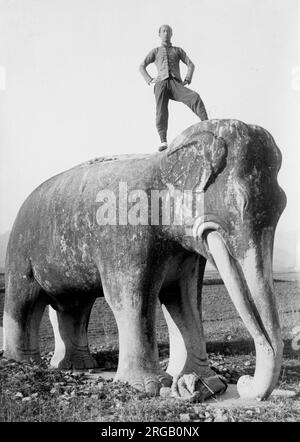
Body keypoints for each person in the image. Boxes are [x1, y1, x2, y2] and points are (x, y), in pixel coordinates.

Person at [139, 24, 208, 151]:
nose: (166, 33)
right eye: (163, 31)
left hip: (175, 84)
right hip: (161, 84)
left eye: (168, 31)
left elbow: (191, 65)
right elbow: (142, 66)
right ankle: (163, 141)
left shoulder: (178, 50)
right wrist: (150, 79)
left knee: (194, 97)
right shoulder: (155, 51)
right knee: (161, 111)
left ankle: (207, 124)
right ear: (159, 34)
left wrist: (187, 79)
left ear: (171, 34)